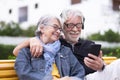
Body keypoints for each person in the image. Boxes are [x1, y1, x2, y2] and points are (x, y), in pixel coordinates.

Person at [13, 9, 120, 80]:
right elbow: (23, 71)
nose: (75, 29)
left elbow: (79, 72)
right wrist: (32, 40)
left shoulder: (65, 50)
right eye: (70, 25)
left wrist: (101, 65)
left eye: (78, 25)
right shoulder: (32, 48)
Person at [14, 15, 85, 80]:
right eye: (55, 27)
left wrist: (70, 79)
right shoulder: (26, 51)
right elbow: (23, 74)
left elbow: (80, 73)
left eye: (60, 29)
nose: (58, 31)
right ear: (42, 28)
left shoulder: (65, 51)